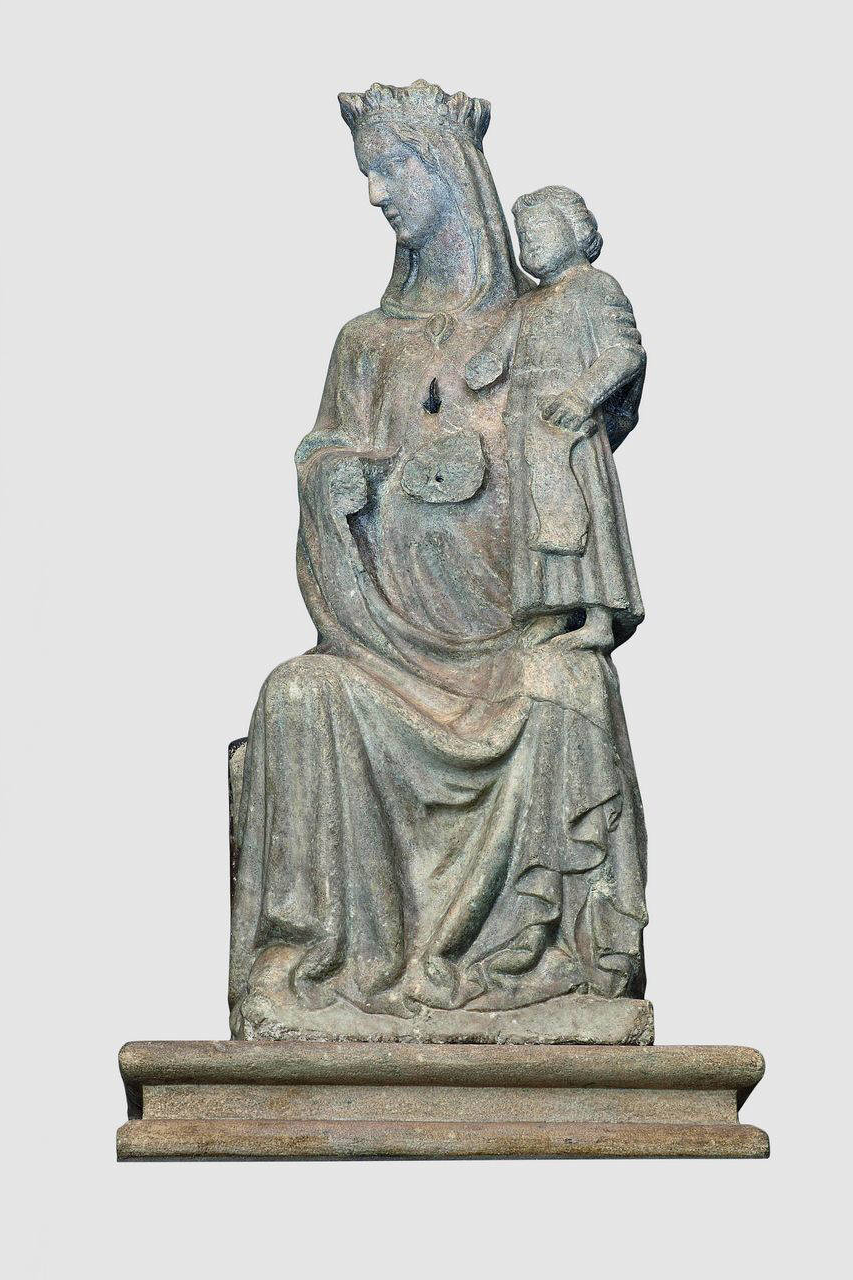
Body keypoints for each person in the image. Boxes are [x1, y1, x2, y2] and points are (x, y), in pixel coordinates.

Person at [229, 85, 647, 1036]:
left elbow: (601, 411)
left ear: (453, 174)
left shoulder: (546, 319)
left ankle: (546, 970)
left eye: (394, 169)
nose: (377, 194)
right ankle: (316, 969)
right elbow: (324, 454)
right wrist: (333, 479)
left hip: (509, 633)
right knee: (298, 697)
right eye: (368, 173)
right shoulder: (366, 346)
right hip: (386, 647)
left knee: (569, 689)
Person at [466, 185, 646, 646]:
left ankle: (598, 617)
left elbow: (624, 352)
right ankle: (551, 609)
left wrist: (582, 396)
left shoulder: (595, 287)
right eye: (523, 231)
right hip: (527, 430)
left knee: (584, 517)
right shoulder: (525, 306)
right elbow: (492, 359)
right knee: (535, 522)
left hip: (571, 427)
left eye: (541, 227)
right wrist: (476, 365)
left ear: (577, 230)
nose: (530, 237)